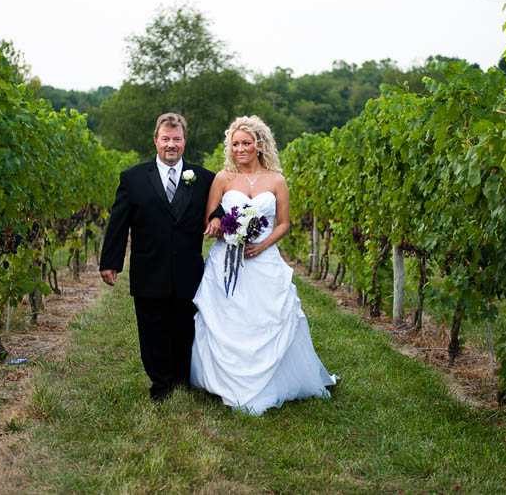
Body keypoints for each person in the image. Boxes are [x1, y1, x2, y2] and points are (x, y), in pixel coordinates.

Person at [190, 115, 337, 415]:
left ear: (259, 145)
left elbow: (283, 224)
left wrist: (263, 245)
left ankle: (273, 381)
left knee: (270, 317)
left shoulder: (276, 180)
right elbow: (210, 216)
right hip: (227, 260)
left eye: (246, 143)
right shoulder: (223, 178)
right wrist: (219, 223)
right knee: (227, 317)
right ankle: (227, 382)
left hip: (264, 259)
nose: (240, 149)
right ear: (229, 148)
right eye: (235, 144)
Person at [99, 112, 222, 402]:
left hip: (189, 268)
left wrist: (217, 218)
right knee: (152, 328)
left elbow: (217, 209)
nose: (171, 144)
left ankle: (182, 378)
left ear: (184, 142)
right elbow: (119, 222)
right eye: (165, 139)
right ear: (156, 140)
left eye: (176, 139)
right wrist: (110, 262)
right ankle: (161, 383)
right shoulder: (132, 178)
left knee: (184, 326)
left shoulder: (204, 178)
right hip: (149, 267)